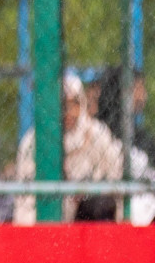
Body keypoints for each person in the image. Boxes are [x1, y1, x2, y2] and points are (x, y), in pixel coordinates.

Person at [12, 73, 127, 225]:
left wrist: (89, 190)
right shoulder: (33, 141)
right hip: (48, 221)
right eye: (62, 105)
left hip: (89, 217)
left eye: (75, 104)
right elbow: (25, 200)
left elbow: (116, 176)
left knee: (99, 203)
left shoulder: (97, 134)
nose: (69, 112)